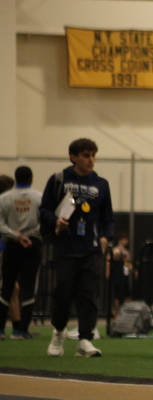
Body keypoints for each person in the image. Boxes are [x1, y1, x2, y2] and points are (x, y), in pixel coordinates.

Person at [39, 138, 115, 358]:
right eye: (85, 155)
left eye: (93, 155)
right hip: (65, 248)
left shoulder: (101, 184)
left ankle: (85, 340)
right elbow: (44, 209)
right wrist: (55, 221)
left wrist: (106, 237)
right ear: (73, 157)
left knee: (89, 295)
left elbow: (108, 217)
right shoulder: (59, 179)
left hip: (91, 249)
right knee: (63, 294)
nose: (91, 160)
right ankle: (58, 332)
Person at [0, 166, 43, 339]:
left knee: (7, 286)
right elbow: (44, 223)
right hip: (32, 245)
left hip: (11, 246)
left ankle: (0, 329)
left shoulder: (4, 198)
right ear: (31, 179)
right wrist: (29, 235)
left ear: (16, 178)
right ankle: (21, 330)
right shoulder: (39, 197)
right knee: (29, 286)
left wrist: (16, 236)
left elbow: (0, 225)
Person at [108, 233, 132, 319]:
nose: (127, 242)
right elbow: (111, 257)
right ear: (121, 240)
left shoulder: (126, 251)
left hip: (125, 274)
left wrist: (132, 270)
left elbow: (128, 262)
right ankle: (116, 312)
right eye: (125, 240)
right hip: (118, 275)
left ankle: (127, 312)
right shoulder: (115, 250)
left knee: (127, 294)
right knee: (117, 294)